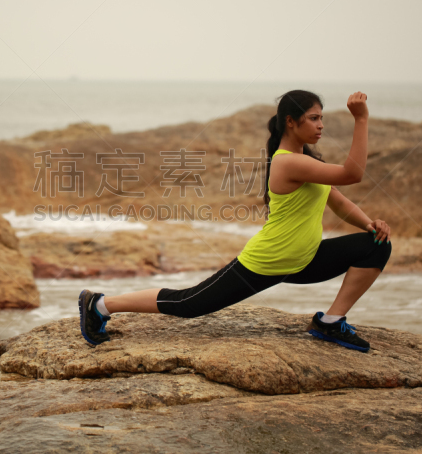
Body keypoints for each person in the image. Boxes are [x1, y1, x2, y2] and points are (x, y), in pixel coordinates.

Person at [79, 90, 392, 353]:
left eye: (322, 117)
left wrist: (369, 225)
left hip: (304, 259)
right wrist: (361, 119)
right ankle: (101, 304)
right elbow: (354, 174)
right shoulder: (289, 163)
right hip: (267, 261)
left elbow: (339, 201)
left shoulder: (309, 163)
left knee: (376, 245)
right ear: (290, 122)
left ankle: (330, 322)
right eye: (313, 118)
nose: (321, 125)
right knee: (189, 303)